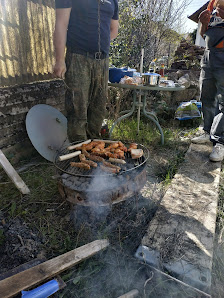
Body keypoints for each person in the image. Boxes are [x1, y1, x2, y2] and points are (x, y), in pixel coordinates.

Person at [53, 0, 119, 141]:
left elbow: (114, 29)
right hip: (78, 57)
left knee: (98, 110)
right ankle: (79, 156)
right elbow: (61, 24)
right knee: (78, 110)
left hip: (103, 61)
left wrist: (99, 46)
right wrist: (59, 60)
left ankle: (94, 153)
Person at [192, 0, 224, 162]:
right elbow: (204, 34)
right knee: (207, 95)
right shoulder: (211, 5)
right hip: (209, 55)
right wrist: (203, 23)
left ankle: (220, 142)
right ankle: (207, 131)